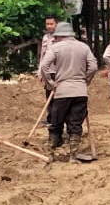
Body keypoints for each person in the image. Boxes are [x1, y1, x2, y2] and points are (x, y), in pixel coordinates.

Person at [38, 22, 98, 160]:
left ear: (60, 36)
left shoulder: (55, 48)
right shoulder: (84, 47)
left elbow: (44, 66)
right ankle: (73, 155)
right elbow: (93, 66)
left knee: (56, 122)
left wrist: (51, 84)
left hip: (62, 91)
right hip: (80, 91)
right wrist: (86, 80)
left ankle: (50, 154)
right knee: (76, 123)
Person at [37, 15, 59, 124]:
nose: (49, 26)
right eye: (47, 24)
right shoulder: (45, 38)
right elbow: (42, 56)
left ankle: (58, 119)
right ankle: (50, 118)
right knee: (48, 96)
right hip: (47, 71)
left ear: (56, 24)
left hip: (58, 71)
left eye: (51, 24)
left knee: (58, 96)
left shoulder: (60, 38)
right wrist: (40, 72)